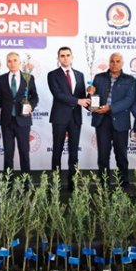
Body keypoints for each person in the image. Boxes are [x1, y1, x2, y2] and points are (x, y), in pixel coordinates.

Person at [87, 52, 136, 188]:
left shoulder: (129, 79)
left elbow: (129, 100)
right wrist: (90, 94)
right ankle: (104, 187)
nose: (114, 64)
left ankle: (124, 187)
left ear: (122, 63)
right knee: (103, 156)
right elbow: (93, 98)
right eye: (112, 61)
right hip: (102, 121)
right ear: (109, 63)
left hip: (120, 121)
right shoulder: (99, 77)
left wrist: (110, 108)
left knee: (121, 156)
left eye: (118, 61)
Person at [47, 47, 89, 186]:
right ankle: (55, 184)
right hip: (59, 117)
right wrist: (78, 101)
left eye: (68, 55)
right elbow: (58, 95)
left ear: (72, 57)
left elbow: (82, 97)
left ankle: (73, 183)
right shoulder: (52, 75)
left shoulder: (80, 75)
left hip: (75, 118)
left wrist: (91, 95)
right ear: (58, 58)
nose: (65, 58)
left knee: (74, 152)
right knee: (57, 150)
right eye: (62, 55)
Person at [0, 52, 39, 173]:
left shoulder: (28, 77)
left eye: (15, 60)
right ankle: (7, 182)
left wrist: (31, 106)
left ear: (20, 62)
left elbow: (35, 97)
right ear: (6, 63)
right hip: (7, 122)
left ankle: (26, 181)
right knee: (8, 153)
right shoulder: (1, 79)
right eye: (9, 61)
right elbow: (0, 99)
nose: (12, 63)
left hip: (23, 121)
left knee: (24, 152)